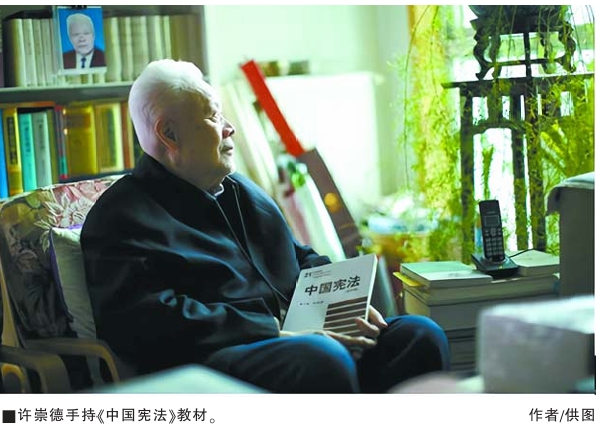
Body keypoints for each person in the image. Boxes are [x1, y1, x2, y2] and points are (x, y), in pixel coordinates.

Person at [81, 59, 450, 393]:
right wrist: (273, 328)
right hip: (215, 357)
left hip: (299, 337)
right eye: (213, 117)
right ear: (169, 135)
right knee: (321, 357)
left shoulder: (242, 190)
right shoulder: (120, 217)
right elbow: (145, 322)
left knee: (418, 335)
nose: (230, 129)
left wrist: (344, 305)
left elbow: (300, 257)